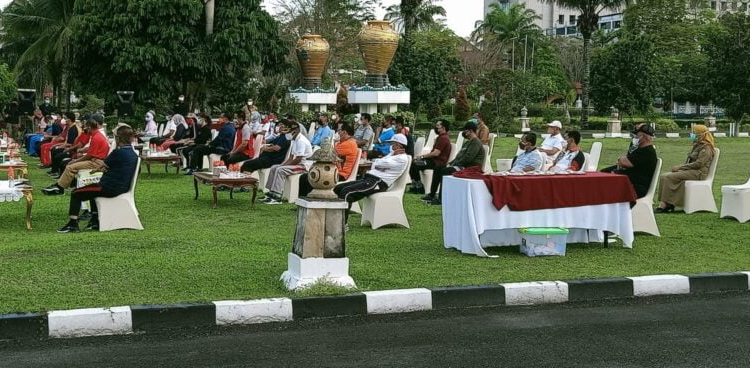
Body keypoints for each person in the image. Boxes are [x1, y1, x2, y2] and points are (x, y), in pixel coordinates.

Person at [56, 126, 139, 233]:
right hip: (120, 186)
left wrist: (101, 169)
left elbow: (103, 165)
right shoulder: (132, 154)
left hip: (109, 188)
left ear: (118, 138)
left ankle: (72, 224)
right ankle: (95, 221)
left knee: (76, 193)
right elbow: (111, 167)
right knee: (91, 191)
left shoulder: (118, 153)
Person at [334, 133, 410, 225]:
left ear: (398, 145)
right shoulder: (392, 155)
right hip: (369, 179)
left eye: (392, 143)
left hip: (378, 182)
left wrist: (379, 164)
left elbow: (380, 164)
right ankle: (335, 219)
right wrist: (379, 163)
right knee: (338, 188)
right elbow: (377, 163)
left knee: (346, 192)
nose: (391, 146)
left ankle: (341, 224)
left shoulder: (402, 158)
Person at [42, 116, 109, 195]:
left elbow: (89, 155)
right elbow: (90, 151)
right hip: (95, 160)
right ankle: (59, 186)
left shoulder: (96, 137)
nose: (85, 129)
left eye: (86, 127)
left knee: (70, 166)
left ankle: (59, 188)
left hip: (96, 162)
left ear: (90, 127)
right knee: (70, 165)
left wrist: (76, 160)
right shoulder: (96, 135)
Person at [655, 124, 715, 213]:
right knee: (664, 176)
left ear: (701, 134)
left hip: (699, 173)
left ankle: (665, 205)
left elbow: (699, 163)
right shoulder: (697, 145)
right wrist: (683, 169)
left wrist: (681, 167)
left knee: (669, 177)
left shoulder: (706, 147)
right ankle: (668, 203)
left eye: (694, 133)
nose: (692, 135)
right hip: (692, 171)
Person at [423, 122, 485, 205]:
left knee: (444, 171)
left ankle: (442, 198)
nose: (464, 132)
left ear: (470, 131)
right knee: (439, 168)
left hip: (470, 168)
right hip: (462, 166)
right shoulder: (467, 143)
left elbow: (468, 158)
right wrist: (451, 163)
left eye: (465, 130)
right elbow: (459, 157)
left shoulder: (476, 142)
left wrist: (454, 165)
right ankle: (432, 194)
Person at [299, 124, 360, 197]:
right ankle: (304, 199)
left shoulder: (349, 144)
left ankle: (312, 199)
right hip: (335, 170)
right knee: (305, 177)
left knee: (312, 177)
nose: (337, 132)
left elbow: (328, 153)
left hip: (341, 174)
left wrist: (333, 142)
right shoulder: (345, 142)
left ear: (344, 132)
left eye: (339, 130)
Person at [602, 123, 657, 199]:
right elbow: (624, 160)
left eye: (637, 135)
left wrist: (621, 159)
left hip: (637, 187)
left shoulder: (646, 152)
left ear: (644, 137)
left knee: (607, 178)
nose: (634, 138)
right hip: (630, 181)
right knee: (603, 173)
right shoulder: (638, 149)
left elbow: (625, 163)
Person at [262, 121, 313, 204]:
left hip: (303, 166)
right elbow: (291, 157)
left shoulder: (301, 141)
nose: (286, 133)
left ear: (295, 131)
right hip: (297, 163)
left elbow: (298, 159)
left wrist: (283, 167)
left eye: (288, 131)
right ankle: (271, 193)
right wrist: (282, 165)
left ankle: (277, 196)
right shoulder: (294, 140)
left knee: (280, 170)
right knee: (274, 167)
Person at [409, 119, 451, 194]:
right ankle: (415, 185)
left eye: (438, 126)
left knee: (415, 164)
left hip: (436, 163)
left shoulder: (444, 138)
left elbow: (436, 153)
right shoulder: (440, 137)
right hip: (432, 161)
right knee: (413, 163)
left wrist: (422, 157)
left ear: (443, 128)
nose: (436, 127)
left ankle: (419, 187)